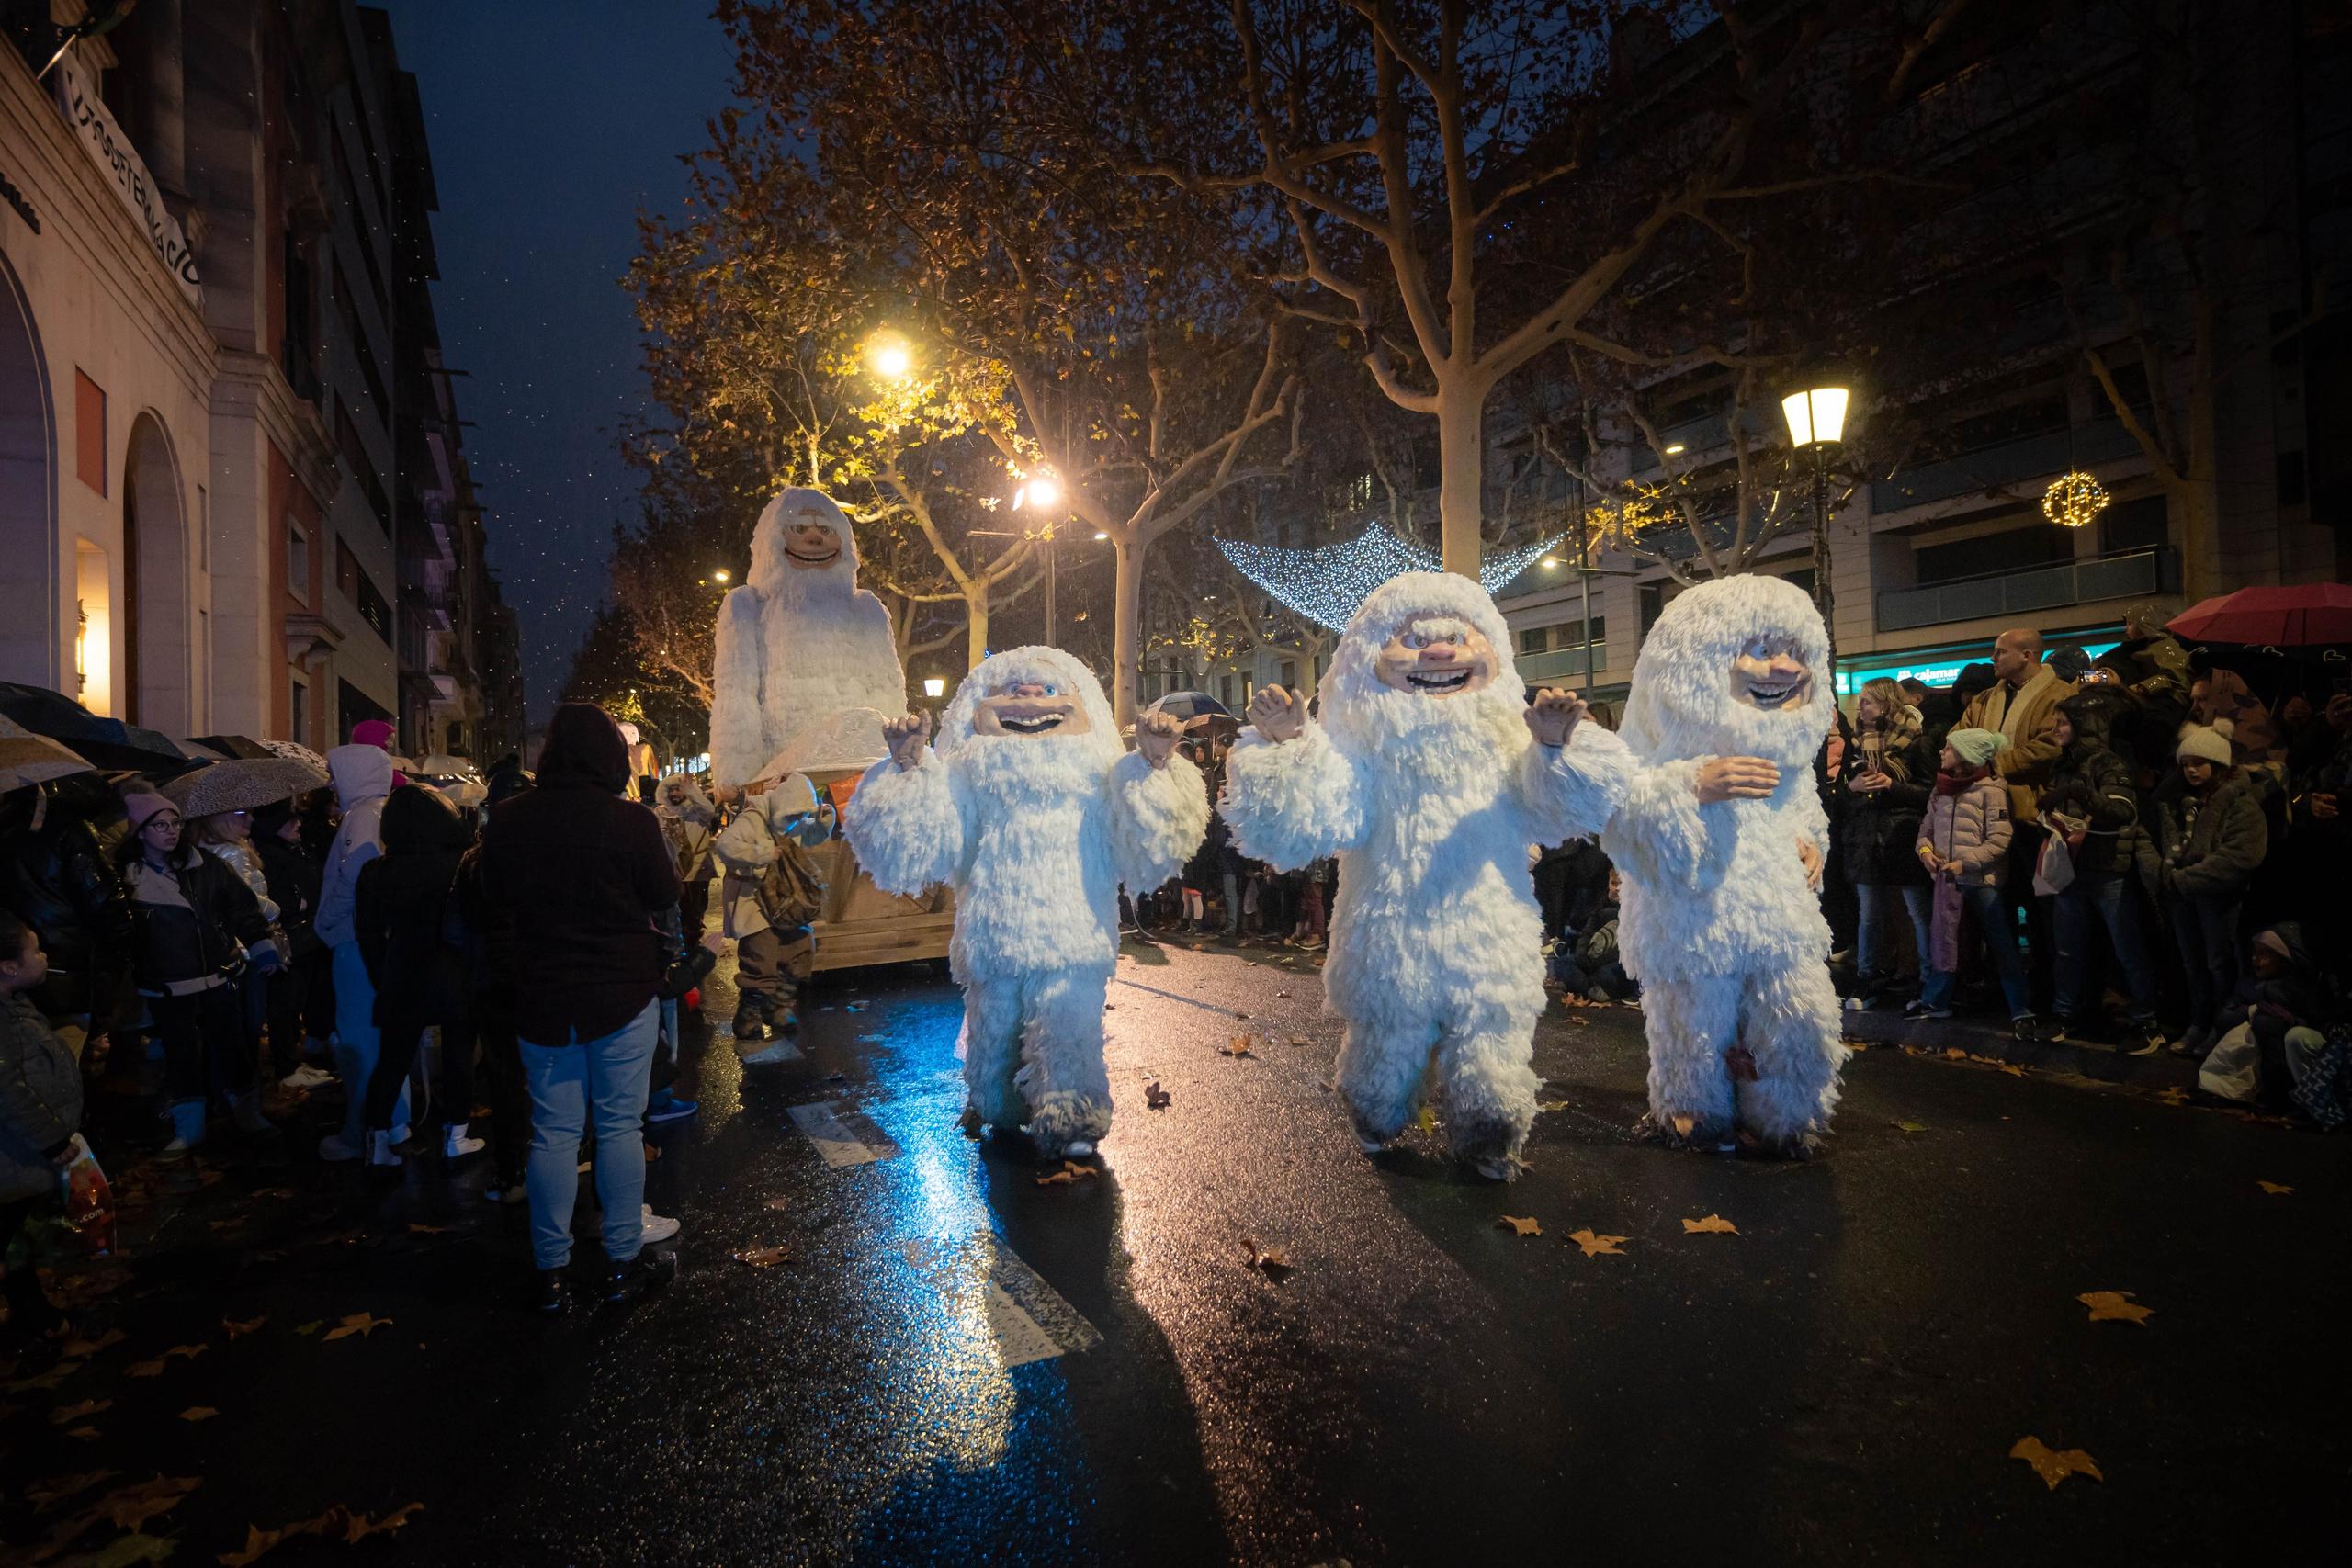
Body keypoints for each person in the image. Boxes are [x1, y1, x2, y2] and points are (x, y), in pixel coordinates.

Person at [479, 704, 687, 1311]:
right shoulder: (630, 821)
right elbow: (664, 892)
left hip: (544, 997)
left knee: (553, 1133)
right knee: (620, 1126)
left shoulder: (509, 819)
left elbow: (491, 899)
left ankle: (551, 1271)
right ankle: (622, 1261)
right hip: (621, 994)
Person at [115, 792, 281, 1154]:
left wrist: (262, 946)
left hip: (216, 971)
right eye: (160, 825)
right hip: (165, 981)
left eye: (175, 823)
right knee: (181, 1055)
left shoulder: (204, 864)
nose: (171, 831)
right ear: (140, 831)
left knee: (233, 1047)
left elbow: (241, 906)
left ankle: (247, 1115)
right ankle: (190, 1128)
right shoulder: (125, 876)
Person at [353, 785, 481, 1168]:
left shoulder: (375, 871)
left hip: (402, 971)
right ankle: (456, 1136)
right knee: (459, 1055)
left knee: (391, 1060)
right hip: (455, 970)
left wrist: (382, 977)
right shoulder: (460, 863)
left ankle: (377, 1142)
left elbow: (368, 934)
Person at [2037, 688, 2165, 1052]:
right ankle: (2065, 1015)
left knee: (2127, 948)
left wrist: (2080, 794)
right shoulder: (2063, 763)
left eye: (2062, 722)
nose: (2055, 729)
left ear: (2085, 726)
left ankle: (2147, 1024)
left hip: (2108, 870)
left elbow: (2123, 810)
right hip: (2070, 867)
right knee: (2067, 949)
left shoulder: (2110, 764)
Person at [1958, 629, 2077, 1006]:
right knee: (1999, 909)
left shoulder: (2060, 694)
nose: (1992, 658)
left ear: (2027, 655)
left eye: (2000, 652)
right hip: (1989, 818)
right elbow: (1959, 738)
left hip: (2032, 819)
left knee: (2044, 911)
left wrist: (1995, 763)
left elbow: (2051, 746)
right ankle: (2006, 988)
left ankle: (2049, 989)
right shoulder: (1985, 698)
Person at [2153, 724, 2268, 1055]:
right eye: (2185, 763)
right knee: (2192, 963)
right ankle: (2198, 1024)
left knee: (2220, 963)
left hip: (2217, 898)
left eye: (2199, 763)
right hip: (2181, 895)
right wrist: (2162, 874)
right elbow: (2151, 840)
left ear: (2218, 764)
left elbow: (2241, 854)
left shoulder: (2240, 802)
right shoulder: (2172, 799)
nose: (2191, 770)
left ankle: (2222, 1028)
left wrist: (2184, 879)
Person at [1911, 729, 2035, 1036]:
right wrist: (1925, 852)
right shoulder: (1941, 788)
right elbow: (1926, 830)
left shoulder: (1991, 790)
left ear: (1967, 755)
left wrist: (1964, 863)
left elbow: (2000, 840)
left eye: (1949, 748)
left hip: (1982, 880)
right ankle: (1937, 1001)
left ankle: (2021, 1008)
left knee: (2001, 943)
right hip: (1947, 877)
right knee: (1944, 941)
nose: (1941, 752)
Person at [315, 743, 405, 1162]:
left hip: (352, 939)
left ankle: (364, 1133)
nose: (331, 783)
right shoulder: (382, 812)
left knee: (359, 1041)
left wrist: (326, 919)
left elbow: (355, 874)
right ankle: (392, 1123)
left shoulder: (362, 817)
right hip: (372, 940)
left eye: (335, 773)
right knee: (381, 1037)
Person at [0, 773, 132, 1059]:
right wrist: (118, 948)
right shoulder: (70, 829)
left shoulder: (8, 825)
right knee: (60, 1061)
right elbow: (102, 900)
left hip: (15, 968)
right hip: (67, 974)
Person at [0, 910, 85, 1345]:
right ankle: (36, 1320)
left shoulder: (14, 1005)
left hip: (21, 1150)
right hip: (15, 1152)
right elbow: (6, 1089)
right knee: (11, 1237)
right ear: (9, 966)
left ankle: (33, 1314)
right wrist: (50, 1138)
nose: (44, 956)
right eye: (35, 950)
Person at [453, 766, 535, 1204]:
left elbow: (457, 928)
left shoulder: (475, 859)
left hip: (492, 981)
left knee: (504, 1079)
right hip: (539, 979)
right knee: (551, 1074)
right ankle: (556, 1160)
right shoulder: (547, 854)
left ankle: (511, 1172)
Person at [1839, 677, 1936, 1010]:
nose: (1860, 708)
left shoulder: (1917, 742)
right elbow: (1843, 793)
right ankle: (1866, 979)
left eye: (1866, 701)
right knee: (1869, 915)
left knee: (1918, 913)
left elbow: (1930, 793)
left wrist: (1892, 786)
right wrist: (1851, 788)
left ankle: (1929, 982)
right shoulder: (1856, 743)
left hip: (1902, 836)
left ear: (1885, 704)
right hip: (1866, 837)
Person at [185, 806, 286, 1110]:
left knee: (226, 1028)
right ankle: (241, 1098)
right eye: (241, 812)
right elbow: (247, 903)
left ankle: (224, 1096)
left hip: (224, 951)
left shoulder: (199, 850)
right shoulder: (230, 852)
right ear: (217, 816)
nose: (250, 818)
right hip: (245, 950)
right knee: (246, 1028)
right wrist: (278, 908)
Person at [252, 799, 332, 1088]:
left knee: (296, 1000)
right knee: (284, 1003)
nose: (298, 823)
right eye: (289, 819)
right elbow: (266, 899)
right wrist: (298, 903)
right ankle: (286, 1069)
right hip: (288, 938)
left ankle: (293, 1062)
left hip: (305, 936)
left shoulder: (292, 848)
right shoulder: (267, 855)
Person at [655, 774, 717, 944]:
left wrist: (691, 790)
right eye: (671, 790)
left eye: (678, 789)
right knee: (672, 915)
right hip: (671, 872)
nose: (674, 793)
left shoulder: (697, 812)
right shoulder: (660, 812)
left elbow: (710, 811)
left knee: (694, 914)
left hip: (696, 872)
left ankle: (692, 949)